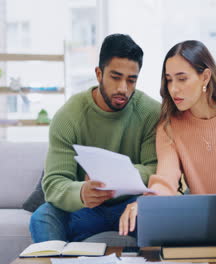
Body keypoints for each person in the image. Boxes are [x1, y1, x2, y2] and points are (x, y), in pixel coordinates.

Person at [119, 40, 216, 236]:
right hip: (203, 217)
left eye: (182, 79)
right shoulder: (169, 125)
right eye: (169, 79)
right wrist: (146, 203)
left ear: (205, 77)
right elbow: (166, 180)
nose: (173, 89)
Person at [29, 34, 161, 242]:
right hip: (86, 209)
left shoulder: (151, 112)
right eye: (115, 77)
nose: (123, 89)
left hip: (134, 207)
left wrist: (120, 175)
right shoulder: (68, 116)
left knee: (161, 213)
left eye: (131, 80)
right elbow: (54, 183)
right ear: (99, 74)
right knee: (43, 217)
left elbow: (156, 169)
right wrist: (81, 192)